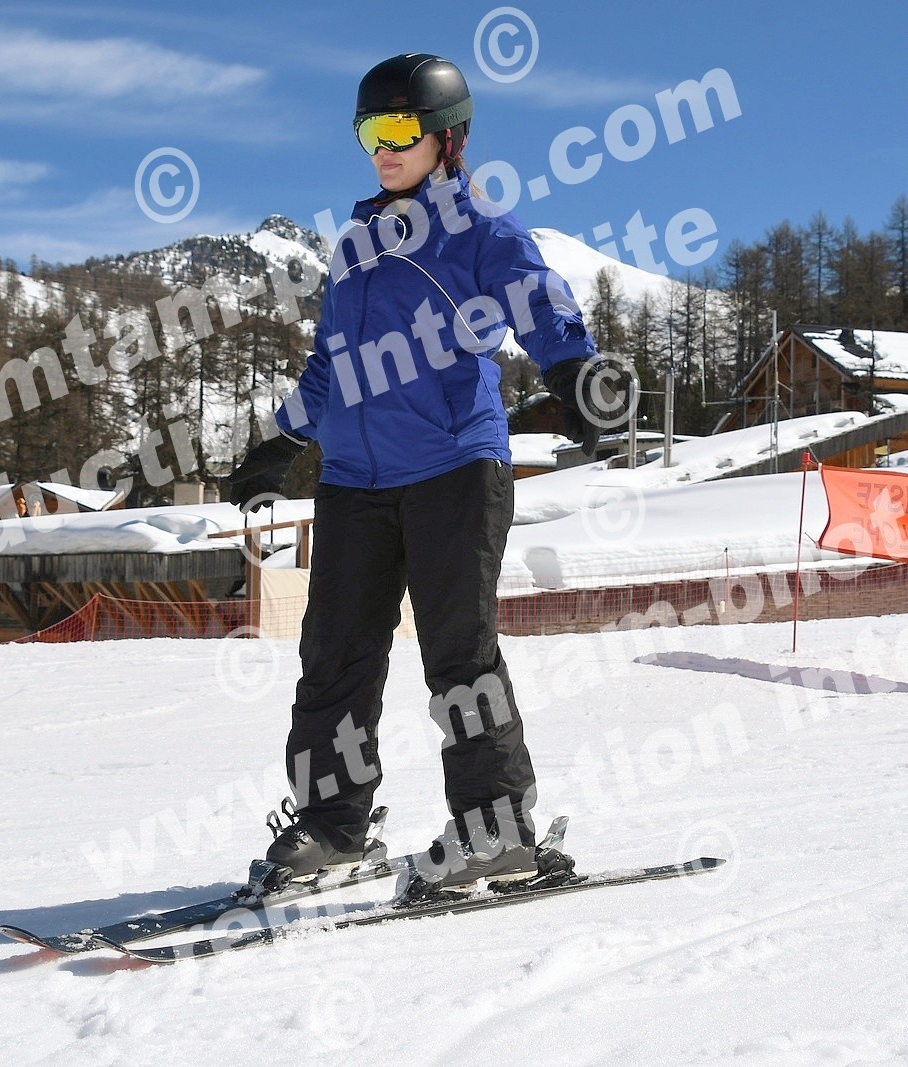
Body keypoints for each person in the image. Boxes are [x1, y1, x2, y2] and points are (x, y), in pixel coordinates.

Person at [228, 53, 606, 902]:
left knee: (458, 653)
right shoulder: (354, 246)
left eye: (401, 129)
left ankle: (496, 828)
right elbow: (330, 367)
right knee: (333, 657)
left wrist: (573, 368)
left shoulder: (479, 228)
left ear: (447, 136)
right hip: (354, 479)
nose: (384, 148)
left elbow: (536, 296)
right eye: (370, 131)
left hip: (454, 466)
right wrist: (279, 443)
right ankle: (333, 825)